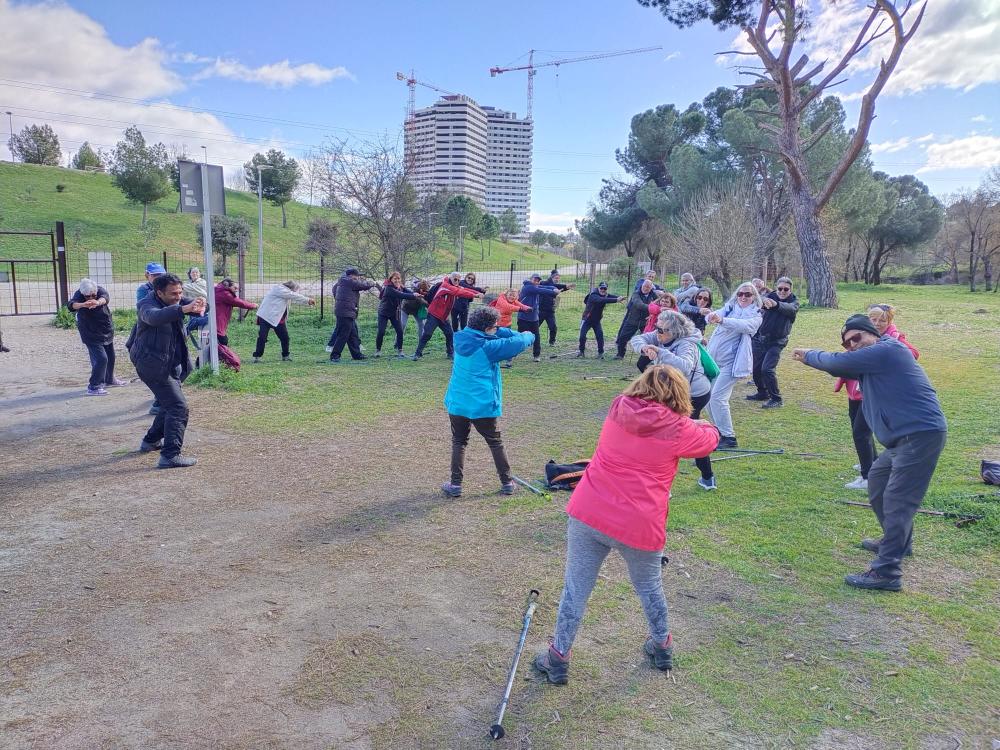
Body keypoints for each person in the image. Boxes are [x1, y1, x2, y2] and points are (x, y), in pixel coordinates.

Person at [533, 366, 719, 684]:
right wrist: (701, 424)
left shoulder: (620, 406)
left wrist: (691, 425)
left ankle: (558, 656)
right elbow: (710, 440)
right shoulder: (679, 428)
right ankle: (662, 646)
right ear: (679, 394)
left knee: (575, 588)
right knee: (650, 587)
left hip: (590, 510)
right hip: (638, 524)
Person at [793, 315, 947, 591]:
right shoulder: (872, 362)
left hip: (919, 435)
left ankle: (887, 573)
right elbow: (840, 367)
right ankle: (899, 541)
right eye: (847, 343)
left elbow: (836, 363)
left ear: (872, 333)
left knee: (898, 500)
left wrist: (809, 355)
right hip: (901, 440)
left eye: (857, 338)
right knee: (877, 482)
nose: (853, 345)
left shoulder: (888, 350)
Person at [440, 306, 536, 498]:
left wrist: (496, 329)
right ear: (486, 329)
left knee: (459, 441)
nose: (496, 329)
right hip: (481, 405)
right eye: (494, 327)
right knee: (495, 442)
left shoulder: (460, 337)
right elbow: (522, 340)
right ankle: (507, 483)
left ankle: (455, 485)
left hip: (457, 402)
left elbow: (492, 334)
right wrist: (527, 333)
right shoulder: (489, 347)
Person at [631, 310, 717, 490]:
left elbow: (685, 367)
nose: (657, 332)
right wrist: (645, 348)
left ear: (674, 331)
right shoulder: (660, 335)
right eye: (656, 327)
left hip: (694, 394)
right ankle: (706, 478)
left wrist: (660, 352)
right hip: (674, 393)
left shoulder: (687, 344)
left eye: (661, 330)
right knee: (672, 431)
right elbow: (638, 339)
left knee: (687, 434)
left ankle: (707, 478)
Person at [837, 304, 920, 490]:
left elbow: (913, 354)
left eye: (882, 320)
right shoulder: (862, 334)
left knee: (860, 432)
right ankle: (871, 461)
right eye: (873, 319)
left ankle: (868, 477)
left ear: (889, 321)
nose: (877, 323)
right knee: (858, 428)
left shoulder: (893, 339)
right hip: (855, 390)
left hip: (873, 393)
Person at [130, 274, 205, 468]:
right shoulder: (146, 305)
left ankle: (151, 441)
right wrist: (183, 309)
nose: (178, 297)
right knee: (178, 407)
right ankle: (170, 455)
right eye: (173, 294)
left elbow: (193, 306)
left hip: (170, 364)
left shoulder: (176, 300)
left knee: (168, 404)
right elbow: (155, 317)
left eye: (180, 292)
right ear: (159, 293)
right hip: (152, 366)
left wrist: (201, 304)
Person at [706, 282, 762, 449]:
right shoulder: (730, 307)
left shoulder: (756, 314)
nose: (743, 297)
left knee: (718, 398)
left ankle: (729, 437)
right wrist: (710, 315)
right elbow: (715, 315)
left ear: (754, 297)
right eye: (740, 294)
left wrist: (722, 320)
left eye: (748, 294)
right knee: (708, 397)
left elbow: (745, 326)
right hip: (714, 361)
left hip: (732, 363)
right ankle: (719, 431)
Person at [746, 277, 799, 409]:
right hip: (761, 339)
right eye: (780, 288)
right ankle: (762, 392)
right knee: (756, 369)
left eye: (786, 289)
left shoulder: (794, 302)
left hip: (778, 341)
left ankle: (776, 398)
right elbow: (758, 299)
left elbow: (790, 309)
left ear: (790, 290)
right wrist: (763, 300)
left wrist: (775, 304)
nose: (782, 291)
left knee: (767, 369)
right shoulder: (770, 296)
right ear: (776, 288)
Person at [69, 278, 127, 395]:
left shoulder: (100, 290)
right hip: (89, 332)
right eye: (87, 296)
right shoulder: (79, 294)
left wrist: (97, 302)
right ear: (83, 293)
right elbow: (71, 305)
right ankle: (94, 386)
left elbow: (105, 298)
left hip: (105, 328)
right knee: (101, 359)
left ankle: (109, 379)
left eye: (93, 295)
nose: (91, 298)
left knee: (111, 356)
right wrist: (83, 304)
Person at [411, 273, 480, 360]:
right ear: (451, 278)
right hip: (434, 314)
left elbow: (465, 289)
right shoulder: (445, 286)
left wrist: (478, 292)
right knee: (427, 334)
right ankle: (417, 353)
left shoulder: (455, 286)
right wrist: (474, 295)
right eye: (455, 279)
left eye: (458, 280)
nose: (457, 281)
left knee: (449, 334)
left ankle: (450, 353)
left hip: (443, 317)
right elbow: (459, 292)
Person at [253, 281, 315, 362]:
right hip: (266, 316)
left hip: (277, 318)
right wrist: (308, 299)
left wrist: (307, 302)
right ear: (291, 288)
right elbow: (293, 295)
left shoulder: (285, 292)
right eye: (295, 290)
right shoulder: (280, 289)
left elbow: (294, 298)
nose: (295, 292)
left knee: (285, 338)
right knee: (262, 338)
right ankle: (257, 357)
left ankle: (285, 356)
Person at [329, 268, 376, 363]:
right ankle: (335, 355)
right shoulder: (349, 281)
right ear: (352, 276)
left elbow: (334, 290)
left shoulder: (342, 281)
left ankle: (357, 355)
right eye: (357, 276)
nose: (358, 278)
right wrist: (373, 283)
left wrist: (340, 301)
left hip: (345, 311)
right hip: (346, 312)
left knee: (353, 334)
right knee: (343, 334)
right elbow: (363, 285)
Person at [376, 271, 425, 358]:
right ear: (391, 279)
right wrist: (414, 296)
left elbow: (407, 291)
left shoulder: (400, 286)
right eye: (395, 279)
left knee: (399, 331)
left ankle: (400, 351)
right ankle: (378, 350)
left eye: (398, 278)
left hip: (394, 313)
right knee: (381, 331)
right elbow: (401, 295)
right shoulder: (389, 288)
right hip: (383, 312)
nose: (397, 280)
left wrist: (416, 294)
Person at [516, 274, 561, 362]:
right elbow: (541, 290)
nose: (536, 282)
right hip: (523, 318)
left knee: (536, 337)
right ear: (530, 279)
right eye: (535, 280)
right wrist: (554, 292)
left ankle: (536, 355)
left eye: (538, 281)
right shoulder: (528, 287)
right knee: (520, 338)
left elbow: (544, 287)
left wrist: (553, 288)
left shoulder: (535, 286)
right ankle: (512, 354)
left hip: (534, 318)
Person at [576, 282, 625, 358]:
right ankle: (581, 351)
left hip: (596, 320)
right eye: (601, 288)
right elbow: (601, 300)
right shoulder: (593, 295)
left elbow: (611, 296)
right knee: (582, 336)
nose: (603, 290)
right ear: (598, 288)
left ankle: (600, 353)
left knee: (600, 336)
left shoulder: (605, 294)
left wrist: (620, 298)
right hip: (587, 319)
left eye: (605, 288)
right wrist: (616, 300)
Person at [614, 279, 657, 359]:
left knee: (649, 339)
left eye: (648, 287)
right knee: (622, 337)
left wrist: (653, 313)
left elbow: (658, 303)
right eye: (644, 286)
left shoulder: (653, 295)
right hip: (633, 320)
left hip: (646, 322)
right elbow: (639, 304)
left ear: (651, 288)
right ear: (642, 285)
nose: (645, 288)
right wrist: (652, 308)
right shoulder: (636, 294)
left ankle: (648, 357)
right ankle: (620, 355)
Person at [492, 289, 531, 369]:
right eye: (510, 295)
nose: (512, 297)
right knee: (496, 342)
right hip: (497, 325)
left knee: (509, 342)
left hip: (507, 324)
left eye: (514, 296)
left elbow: (519, 304)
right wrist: (521, 310)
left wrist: (526, 308)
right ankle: (494, 359)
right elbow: (508, 307)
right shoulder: (501, 299)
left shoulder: (514, 300)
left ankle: (508, 362)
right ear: (506, 295)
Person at [539, 270, 574, 346]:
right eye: (556, 278)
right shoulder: (544, 283)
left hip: (550, 311)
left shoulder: (554, 286)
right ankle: (530, 340)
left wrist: (566, 287)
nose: (557, 279)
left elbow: (558, 287)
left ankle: (552, 342)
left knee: (553, 327)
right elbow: (554, 286)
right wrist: (564, 286)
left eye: (558, 278)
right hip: (541, 310)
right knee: (535, 327)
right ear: (551, 277)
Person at [182, 267, 210, 339]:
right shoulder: (188, 284)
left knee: (204, 322)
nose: (195, 273)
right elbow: (184, 295)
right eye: (193, 272)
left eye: (196, 272)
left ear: (200, 274)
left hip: (203, 307)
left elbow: (193, 288)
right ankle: (198, 340)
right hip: (192, 307)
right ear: (190, 274)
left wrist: (183, 286)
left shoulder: (203, 282)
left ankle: (187, 328)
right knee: (199, 327)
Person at [400, 279, 430, 344]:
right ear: (420, 289)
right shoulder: (414, 291)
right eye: (424, 291)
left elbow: (427, 302)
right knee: (402, 324)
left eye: (426, 291)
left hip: (416, 310)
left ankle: (421, 342)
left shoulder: (426, 291)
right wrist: (423, 299)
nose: (425, 292)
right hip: (406, 309)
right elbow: (423, 302)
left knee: (421, 325)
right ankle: (397, 343)